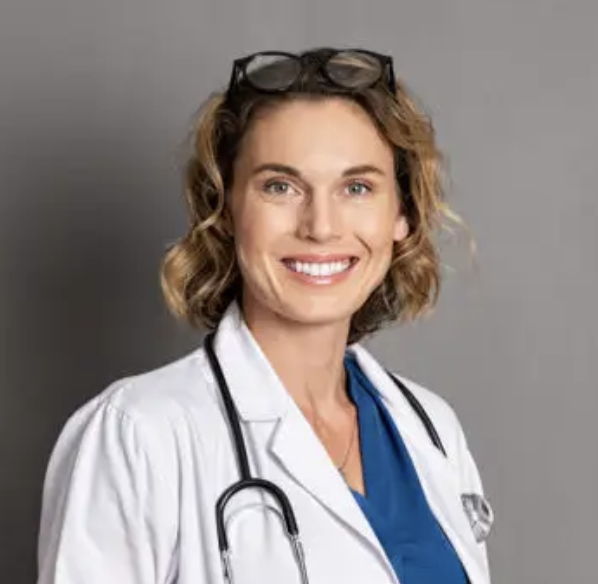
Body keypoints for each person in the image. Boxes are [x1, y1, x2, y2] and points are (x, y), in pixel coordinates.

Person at [36, 48, 493, 584]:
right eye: (280, 186)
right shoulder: (137, 434)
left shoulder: (430, 427)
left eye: (357, 187)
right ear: (226, 210)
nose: (320, 226)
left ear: (402, 214)